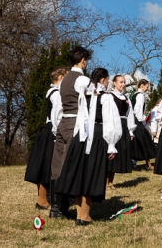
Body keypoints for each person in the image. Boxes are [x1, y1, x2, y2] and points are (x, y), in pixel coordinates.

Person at [56, 68, 122, 225]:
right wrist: (111, 144)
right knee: (91, 174)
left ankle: (80, 214)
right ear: (104, 80)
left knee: (81, 174)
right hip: (97, 136)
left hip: (80, 138)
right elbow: (110, 121)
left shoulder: (83, 96)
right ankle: (84, 216)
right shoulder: (105, 98)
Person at [50, 46, 92, 219]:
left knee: (58, 163)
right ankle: (62, 207)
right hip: (76, 123)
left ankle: (56, 207)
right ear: (83, 60)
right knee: (71, 163)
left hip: (63, 122)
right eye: (87, 60)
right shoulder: (82, 80)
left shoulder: (65, 80)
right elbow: (90, 105)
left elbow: (58, 107)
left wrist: (56, 126)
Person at [25, 67, 69, 210]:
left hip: (50, 129)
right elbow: (57, 116)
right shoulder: (56, 94)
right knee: (47, 166)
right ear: (62, 77)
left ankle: (46, 197)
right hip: (53, 131)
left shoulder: (54, 92)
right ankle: (42, 200)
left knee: (49, 165)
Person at [106, 75, 136, 189]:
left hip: (123, 126)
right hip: (112, 125)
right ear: (114, 83)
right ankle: (104, 180)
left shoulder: (126, 99)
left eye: (124, 82)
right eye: (120, 82)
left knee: (118, 154)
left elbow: (130, 115)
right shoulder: (109, 96)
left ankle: (110, 181)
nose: (123, 84)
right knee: (109, 153)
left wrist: (131, 131)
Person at [131, 79, 156, 171]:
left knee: (137, 142)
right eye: (146, 86)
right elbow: (138, 109)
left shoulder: (134, 95)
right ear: (142, 85)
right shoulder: (140, 96)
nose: (147, 89)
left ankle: (144, 163)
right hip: (138, 121)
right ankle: (147, 164)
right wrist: (142, 121)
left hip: (134, 120)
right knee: (145, 142)